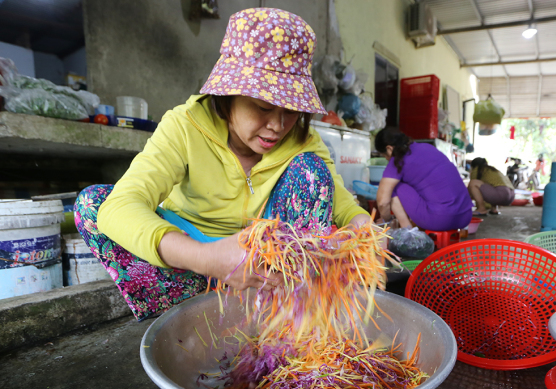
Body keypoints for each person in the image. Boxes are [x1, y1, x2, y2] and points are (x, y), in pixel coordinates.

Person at [74, 8, 370, 321]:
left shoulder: (303, 142)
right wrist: (206, 258)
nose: (277, 126)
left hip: (264, 264)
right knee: (95, 206)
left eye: (292, 111)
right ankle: (189, 305)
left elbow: (344, 207)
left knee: (313, 173)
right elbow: (121, 206)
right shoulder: (184, 126)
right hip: (191, 261)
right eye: (264, 107)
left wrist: (363, 229)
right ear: (228, 95)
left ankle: (282, 307)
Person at [374, 127, 472, 230]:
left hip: (441, 220)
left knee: (391, 187)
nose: (386, 159)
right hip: (465, 217)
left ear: (389, 149)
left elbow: (382, 202)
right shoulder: (427, 147)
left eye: (384, 155)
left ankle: (407, 232)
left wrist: (387, 220)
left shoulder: (396, 161)